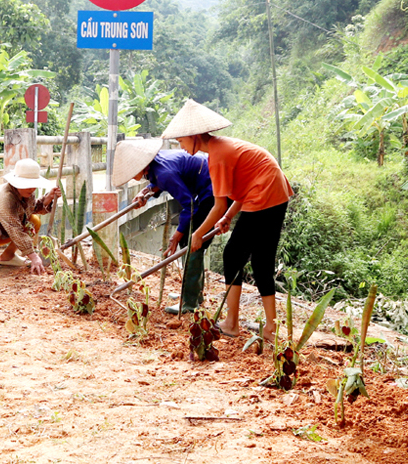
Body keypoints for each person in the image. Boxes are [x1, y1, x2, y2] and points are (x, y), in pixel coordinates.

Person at [161, 99, 293, 344]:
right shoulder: (220, 148)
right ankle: (271, 330)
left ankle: (231, 323)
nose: (180, 146)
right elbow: (241, 191)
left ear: (194, 136)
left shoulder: (218, 155)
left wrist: (198, 233)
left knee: (233, 256)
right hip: (274, 194)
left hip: (264, 195)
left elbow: (219, 203)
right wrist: (228, 218)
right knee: (262, 262)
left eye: (181, 141)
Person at [112, 138, 214, 315]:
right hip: (206, 184)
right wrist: (147, 192)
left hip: (212, 189)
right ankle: (193, 293)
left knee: (192, 243)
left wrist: (177, 234)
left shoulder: (163, 173)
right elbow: (161, 181)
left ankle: (189, 302)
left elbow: (189, 205)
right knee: (190, 243)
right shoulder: (157, 164)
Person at [0, 158, 61, 275]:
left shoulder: (27, 193)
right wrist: (33, 256)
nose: (32, 188)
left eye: (34, 184)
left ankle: (8, 256)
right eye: (27, 184)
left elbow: (31, 209)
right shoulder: (6, 197)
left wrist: (48, 198)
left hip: (3, 230)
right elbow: (14, 228)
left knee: (34, 221)